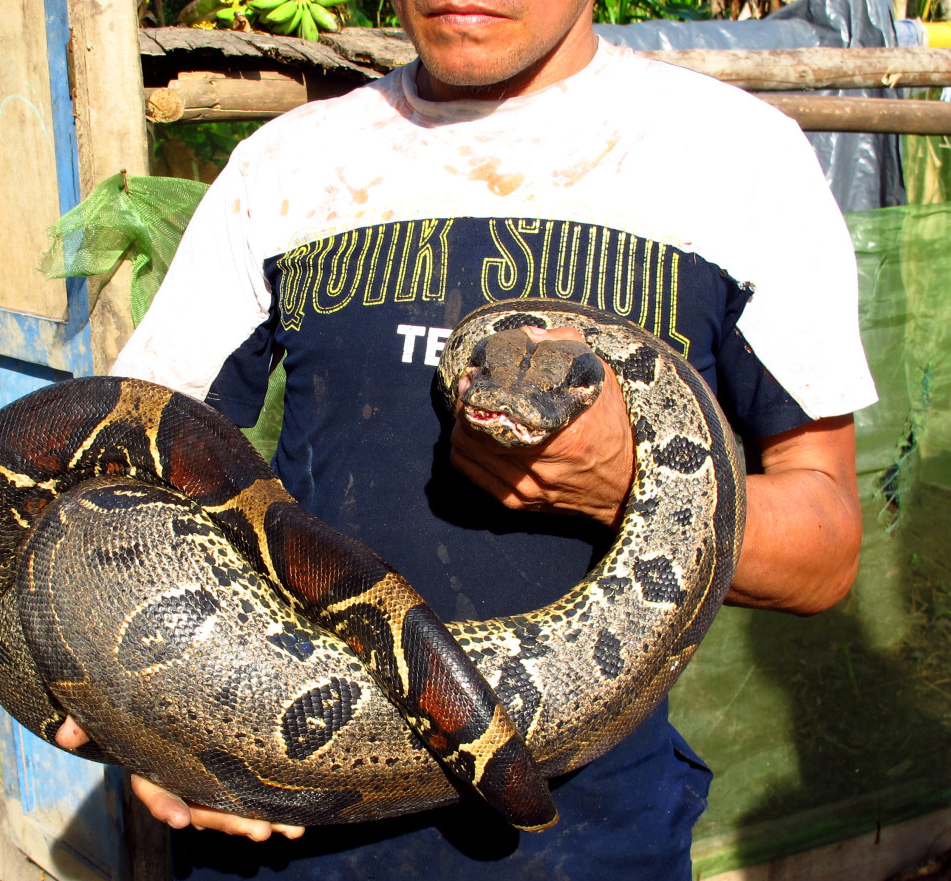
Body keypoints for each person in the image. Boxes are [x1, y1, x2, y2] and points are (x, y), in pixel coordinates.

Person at [55, 0, 877, 876]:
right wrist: (140, 700)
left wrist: (626, 484)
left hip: (585, 842)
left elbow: (826, 549)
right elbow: (118, 475)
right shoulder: (287, 165)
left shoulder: (738, 160)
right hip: (283, 835)